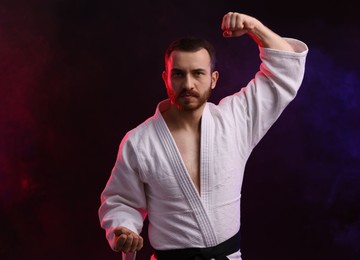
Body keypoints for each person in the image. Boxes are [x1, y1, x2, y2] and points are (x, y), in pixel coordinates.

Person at [98, 11, 308, 260]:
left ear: (213, 79)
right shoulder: (138, 142)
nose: (188, 84)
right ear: (166, 78)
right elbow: (121, 200)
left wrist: (255, 27)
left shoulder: (235, 120)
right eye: (178, 74)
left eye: (198, 73)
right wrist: (124, 230)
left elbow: (285, 72)